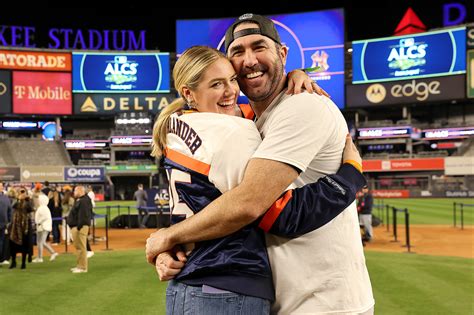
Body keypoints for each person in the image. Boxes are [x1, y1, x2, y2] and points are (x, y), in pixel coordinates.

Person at [146, 14, 374, 315]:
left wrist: (170, 237)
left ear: (282, 53)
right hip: (263, 292)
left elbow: (256, 206)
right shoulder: (238, 126)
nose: (249, 60)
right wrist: (352, 175)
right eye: (237, 52)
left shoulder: (299, 106)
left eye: (259, 47)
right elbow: (255, 207)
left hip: (323, 303)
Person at [67, 185, 92, 273]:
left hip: (80, 227)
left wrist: (78, 227)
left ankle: (83, 267)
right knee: (78, 248)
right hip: (77, 226)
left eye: (75, 191)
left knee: (81, 247)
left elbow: (83, 216)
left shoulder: (84, 201)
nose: (74, 193)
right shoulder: (81, 200)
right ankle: (79, 266)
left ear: (80, 191)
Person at [8, 188, 33, 269]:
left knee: (24, 245)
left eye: (23, 192)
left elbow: (31, 209)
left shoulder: (28, 201)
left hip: (25, 226)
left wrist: (26, 199)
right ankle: (13, 262)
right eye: (21, 192)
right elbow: (13, 206)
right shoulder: (15, 201)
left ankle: (23, 263)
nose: (22, 193)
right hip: (15, 226)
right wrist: (19, 199)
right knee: (13, 245)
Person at [33, 194, 58, 263]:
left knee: (42, 242)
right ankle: (39, 257)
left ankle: (52, 253)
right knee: (39, 242)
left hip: (43, 227)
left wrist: (38, 222)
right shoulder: (43, 207)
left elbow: (45, 217)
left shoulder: (43, 208)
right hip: (42, 226)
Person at [0, 182, 12, 265]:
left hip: (3, 225)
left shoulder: (6, 198)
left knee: (3, 242)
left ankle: (2, 259)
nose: (0, 187)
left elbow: (9, 211)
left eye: (1, 186)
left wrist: (9, 222)